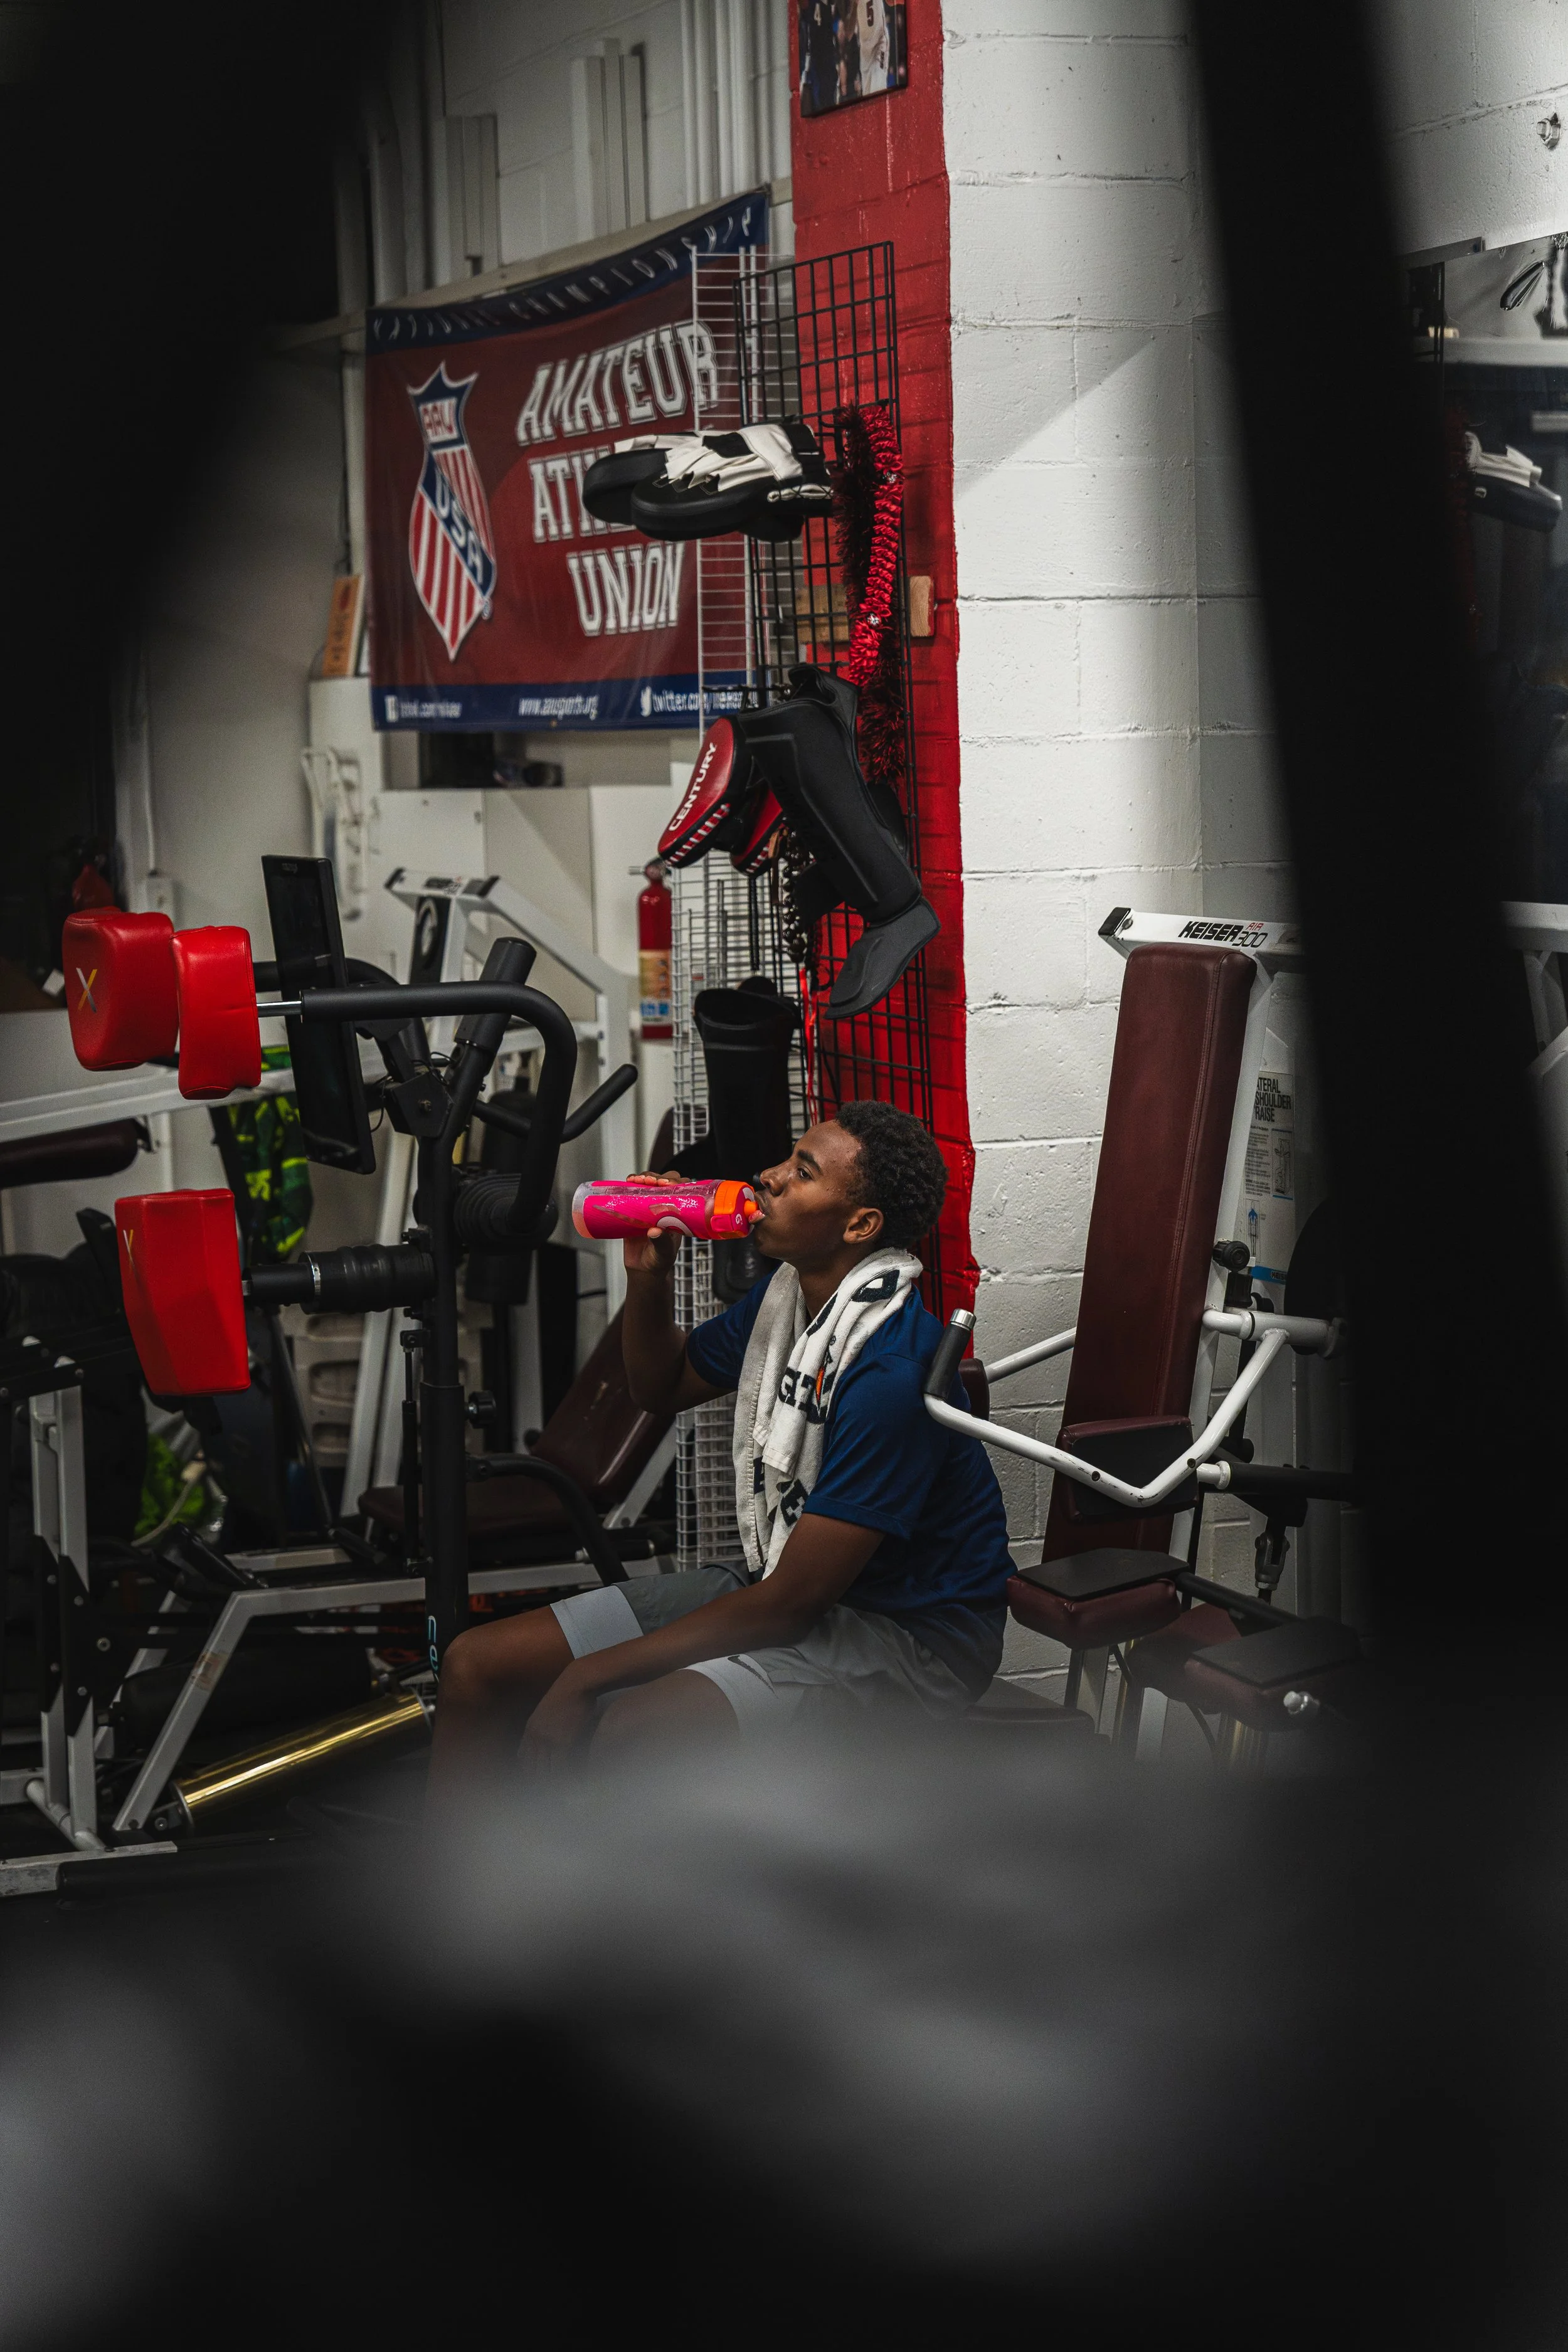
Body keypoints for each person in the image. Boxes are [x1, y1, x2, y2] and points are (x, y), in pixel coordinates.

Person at [428, 1101, 1012, 1786]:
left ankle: (607, 1888)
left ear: (859, 1225)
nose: (767, 1177)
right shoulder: (788, 1304)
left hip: (911, 1639)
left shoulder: (889, 1374)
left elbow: (793, 1604)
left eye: (802, 1172)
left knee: (631, 1721)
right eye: (784, 1160)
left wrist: (586, 1677)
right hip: (787, 1588)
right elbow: (662, 1385)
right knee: (475, 1665)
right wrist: (648, 1274)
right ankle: (465, 1884)